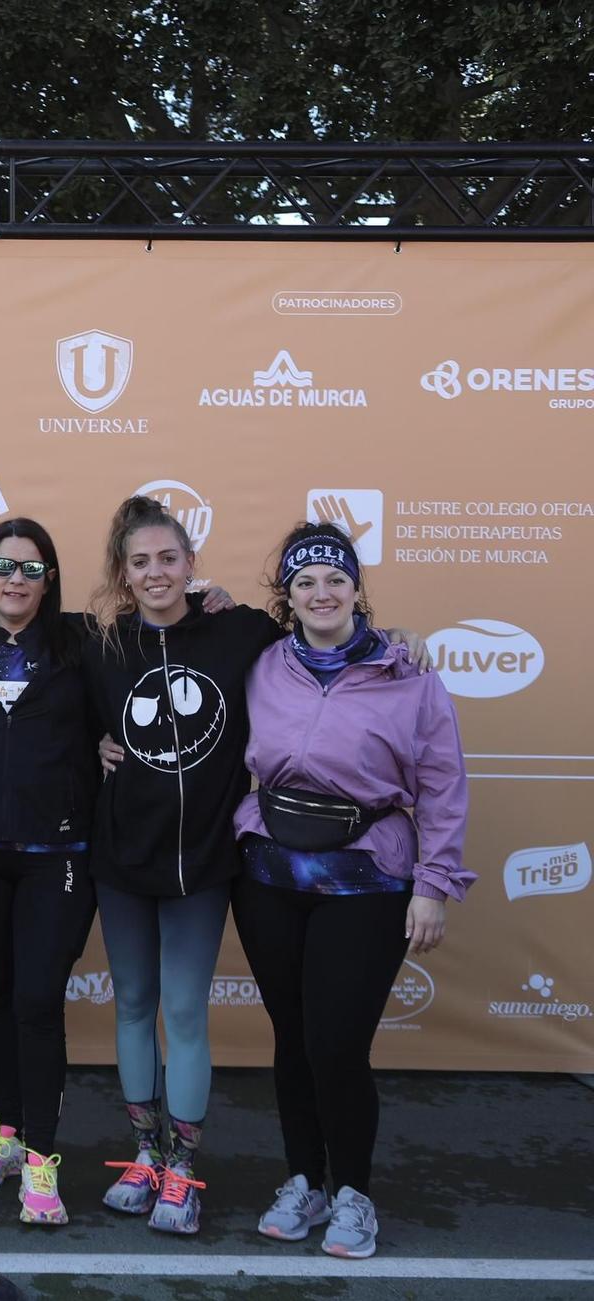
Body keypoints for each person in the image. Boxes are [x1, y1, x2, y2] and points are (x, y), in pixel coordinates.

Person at [233, 522, 472, 1260]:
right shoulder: (263, 662)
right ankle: (305, 1178)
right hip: (269, 878)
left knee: (336, 1044)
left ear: (356, 588)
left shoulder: (409, 673)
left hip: (367, 880)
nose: (321, 592)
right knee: (294, 1041)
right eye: (305, 581)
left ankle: (354, 1194)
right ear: (289, 596)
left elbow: (442, 784)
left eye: (334, 578)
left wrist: (433, 884)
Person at [83, 494, 281, 1235]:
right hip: (122, 859)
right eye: (141, 562)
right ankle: (144, 1152)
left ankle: (184, 1171)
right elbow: (43, 715)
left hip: (202, 861)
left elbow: (325, 632)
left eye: (170, 558)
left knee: (183, 1012)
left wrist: (402, 641)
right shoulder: (101, 645)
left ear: (192, 563)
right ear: (123, 573)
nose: (157, 571)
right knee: (133, 1004)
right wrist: (91, 747)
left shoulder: (239, 631)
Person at [0, 519, 99, 1225]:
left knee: (37, 1001)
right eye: (4, 567)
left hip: (57, 857)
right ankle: (5, 1130)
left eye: (32, 570)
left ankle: (41, 1159)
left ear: (51, 580)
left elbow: (172, 648)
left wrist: (213, 598)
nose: (16, 580)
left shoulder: (83, 643)